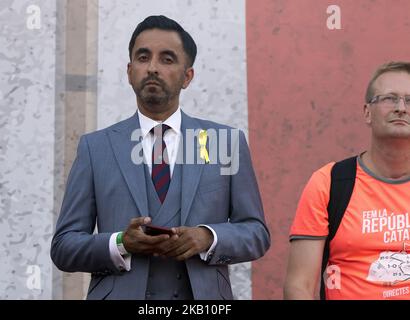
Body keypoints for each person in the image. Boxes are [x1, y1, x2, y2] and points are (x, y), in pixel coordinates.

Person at [51, 15, 270, 300]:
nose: (152, 68)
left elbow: (256, 234)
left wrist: (208, 237)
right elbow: (64, 247)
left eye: (167, 59)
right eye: (143, 57)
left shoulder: (224, 142)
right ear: (130, 71)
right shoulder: (96, 148)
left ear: (187, 76)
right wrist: (120, 243)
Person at [284, 61, 410, 300]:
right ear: (367, 112)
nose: (401, 108)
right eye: (389, 98)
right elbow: (299, 286)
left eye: (409, 100)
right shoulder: (329, 182)